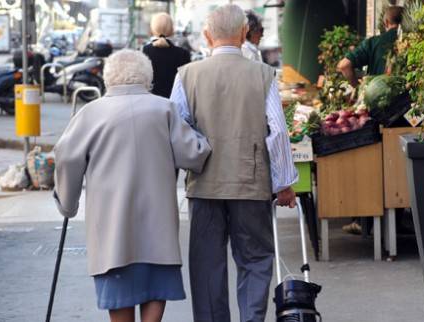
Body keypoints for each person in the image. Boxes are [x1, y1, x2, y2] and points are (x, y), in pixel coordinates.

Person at [53, 49, 211, 322]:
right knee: (156, 284)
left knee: (119, 289)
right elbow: (192, 155)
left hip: (113, 226)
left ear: (107, 78)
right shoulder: (165, 109)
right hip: (157, 224)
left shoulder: (90, 113)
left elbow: (66, 157)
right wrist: (204, 139)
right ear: (147, 77)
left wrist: (67, 204)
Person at [169, 4, 298, 322]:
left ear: (206, 35)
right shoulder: (263, 75)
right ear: (244, 33)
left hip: (205, 185)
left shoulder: (187, 75)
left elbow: (175, 129)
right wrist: (283, 183)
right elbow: (278, 131)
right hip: (251, 183)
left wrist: (196, 159)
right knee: (255, 260)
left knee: (207, 266)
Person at [336, 6, 402, 235]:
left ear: (385, 22)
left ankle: (367, 222)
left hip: (377, 112)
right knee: (399, 171)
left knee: (372, 165)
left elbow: (344, 65)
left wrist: (356, 84)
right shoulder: (413, 42)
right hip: (407, 114)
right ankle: (398, 221)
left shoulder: (375, 43)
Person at [143, 13, 191, 98]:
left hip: (149, 102)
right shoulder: (183, 54)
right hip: (174, 103)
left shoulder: (144, 51)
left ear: (152, 28)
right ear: (172, 29)